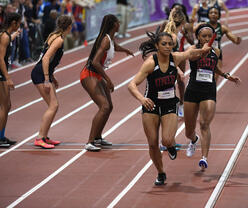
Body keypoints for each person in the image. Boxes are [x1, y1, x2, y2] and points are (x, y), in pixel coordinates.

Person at [128, 29, 211, 185]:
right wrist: (141, 98)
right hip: (151, 105)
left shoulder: (175, 57)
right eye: (164, 44)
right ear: (157, 46)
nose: (167, 47)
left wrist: (203, 50)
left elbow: (190, 53)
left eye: (170, 44)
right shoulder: (151, 63)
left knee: (166, 140)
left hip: (169, 104)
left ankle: (171, 145)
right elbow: (131, 85)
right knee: (153, 143)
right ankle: (161, 173)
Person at [184, 23, 240, 170]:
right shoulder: (192, 49)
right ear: (198, 37)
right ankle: (193, 140)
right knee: (188, 131)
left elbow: (214, 67)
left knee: (204, 124)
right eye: (204, 36)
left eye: (210, 36)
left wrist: (227, 76)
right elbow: (192, 58)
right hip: (192, 90)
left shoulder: (216, 50)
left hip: (209, 90)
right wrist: (202, 51)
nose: (207, 38)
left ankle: (204, 158)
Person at [80, 14, 133, 151]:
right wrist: (108, 80)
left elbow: (114, 46)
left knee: (109, 107)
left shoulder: (110, 38)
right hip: (89, 74)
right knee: (104, 106)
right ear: (114, 24)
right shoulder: (105, 40)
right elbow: (95, 62)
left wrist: (125, 50)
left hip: (96, 75)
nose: (120, 24)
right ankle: (90, 141)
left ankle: (98, 138)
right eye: (118, 22)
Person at [31, 15, 72, 149]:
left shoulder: (54, 35)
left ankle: (44, 137)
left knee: (54, 105)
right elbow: (46, 59)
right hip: (40, 74)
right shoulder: (59, 40)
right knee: (53, 106)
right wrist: (47, 79)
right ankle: (39, 138)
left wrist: (52, 77)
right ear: (69, 27)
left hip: (43, 72)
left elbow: (48, 59)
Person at [161, 6, 194, 117]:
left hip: (179, 55)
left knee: (179, 80)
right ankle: (169, 105)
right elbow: (158, 38)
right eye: (173, 9)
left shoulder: (186, 26)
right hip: (171, 56)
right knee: (169, 80)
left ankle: (181, 103)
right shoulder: (167, 26)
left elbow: (192, 40)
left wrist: (185, 33)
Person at [0, 12, 21, 147]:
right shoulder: (4, 37)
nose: (19, 25)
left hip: (2, 73)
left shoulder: (7, 36)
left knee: (7, 106)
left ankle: (1, 136)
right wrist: (7, 77)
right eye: (18, 23)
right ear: (13, 23)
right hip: (1, 74)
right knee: (4, 106)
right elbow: (0, 58)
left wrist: (13, 36)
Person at [207, 6, 241, 81]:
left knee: (215, 76)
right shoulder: (203, 26)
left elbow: (233, 38)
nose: (213, 14)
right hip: (204, 52)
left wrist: (237, 40)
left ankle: (213, 92)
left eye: (215, 13)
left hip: (217, 54)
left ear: (219, 15)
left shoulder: (222, 28)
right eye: (211, 13)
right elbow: (192, 31)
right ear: (208, 15)